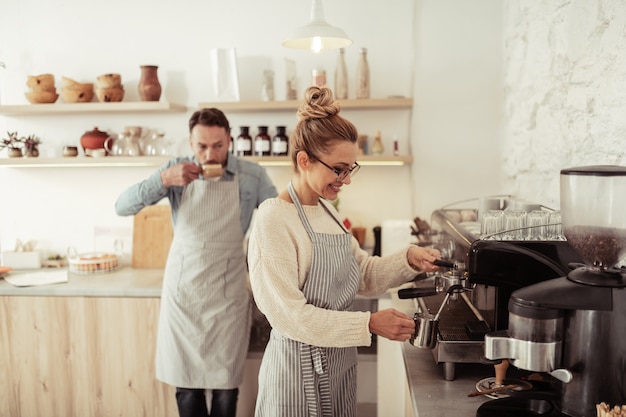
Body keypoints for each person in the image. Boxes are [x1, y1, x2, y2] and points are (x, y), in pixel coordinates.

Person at [247, 86, 441, 417]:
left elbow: (363, 275)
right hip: (296, 374)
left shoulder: (329, 212)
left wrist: (409, 259)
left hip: (338, 367)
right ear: (304, 160)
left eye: (351, 168)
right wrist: (368, 324)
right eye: (339, 169)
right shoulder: (273, 218)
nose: (346, 180)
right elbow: (291, 316)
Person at [115, 108, 277, 417]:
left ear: (229, 140)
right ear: (191, 143)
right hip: (184, 292)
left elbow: (279, 218)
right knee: (187, 387)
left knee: (226, 387)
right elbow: (121, 206)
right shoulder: (175, 172)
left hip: (228, 292)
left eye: (218, 145)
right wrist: (163, 180)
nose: (210, 154)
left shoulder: (252, 175)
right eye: (202, 146)